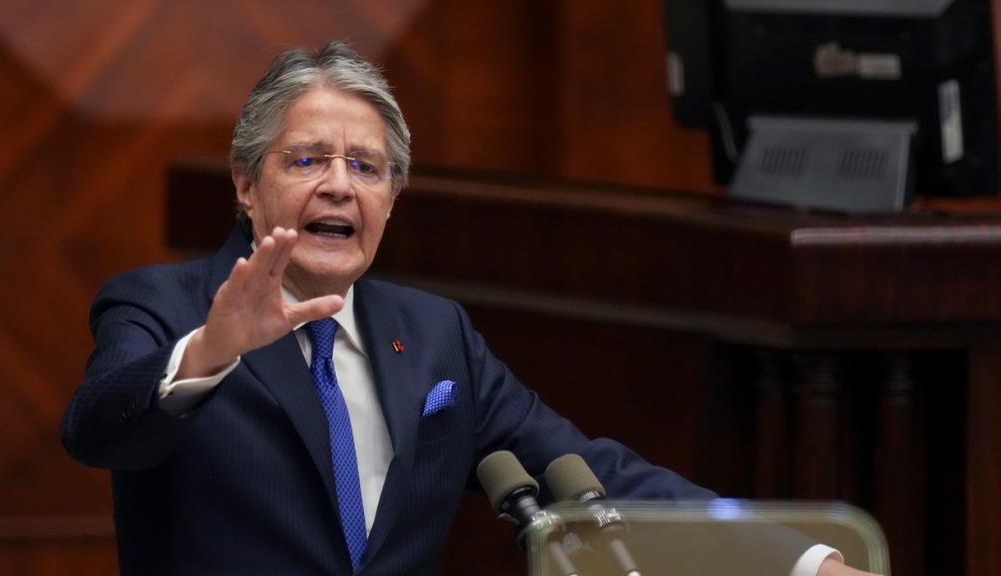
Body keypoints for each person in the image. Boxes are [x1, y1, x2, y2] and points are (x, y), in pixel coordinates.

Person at [61, 41, 876, 576]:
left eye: (367, 167)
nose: (340, 184)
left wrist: (797, 560)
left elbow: (595, 473)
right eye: (308, 159)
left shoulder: (434, 335)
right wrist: (208, 352)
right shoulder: (163, 305)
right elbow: (99, 430)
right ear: (246, 184)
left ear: (392, 196)